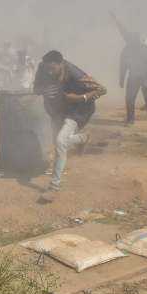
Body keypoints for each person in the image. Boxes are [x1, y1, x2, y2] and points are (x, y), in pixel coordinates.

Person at [33, 50, 106, 190]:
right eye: (47, 68)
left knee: (61, 142)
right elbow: (35, 88)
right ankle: (83, 138)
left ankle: (54, 185)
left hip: (78, 111)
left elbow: (102, 89)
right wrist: (43, 90)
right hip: (57, 111)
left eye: (52, 68)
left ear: (61, 64)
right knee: (58, 142)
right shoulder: (42, 68)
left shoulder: (75, 73)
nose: (49, 72)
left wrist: (81, 97)